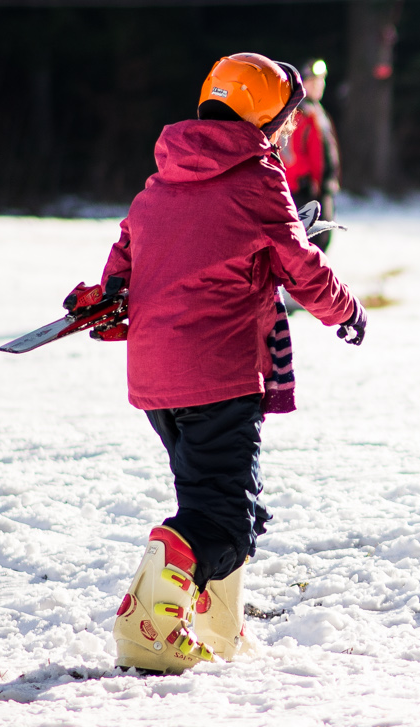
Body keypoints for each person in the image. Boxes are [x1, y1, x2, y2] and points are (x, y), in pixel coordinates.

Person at [66, 53, 367, 673]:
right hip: (219, 375)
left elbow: (124, 256)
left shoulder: (163, 178)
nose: (288, 129)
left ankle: (218, 629)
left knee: (228, 506)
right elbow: (300, 265)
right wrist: (345, 312)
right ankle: (148, 627)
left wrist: (108, 295)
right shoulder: (258, 178)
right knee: (222, 525)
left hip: (157, 379)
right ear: (263, 117)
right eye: (284, 118)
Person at [280, 58, 342, 250]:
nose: (320, 86)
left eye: (322, 81)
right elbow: (292, 152)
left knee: (321, 242)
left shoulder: (316, 110)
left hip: (319, 189)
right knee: (310, 246)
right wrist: (310, 181)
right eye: (314, 81)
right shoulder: (299, 114)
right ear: (304, 83)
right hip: (305, 191)